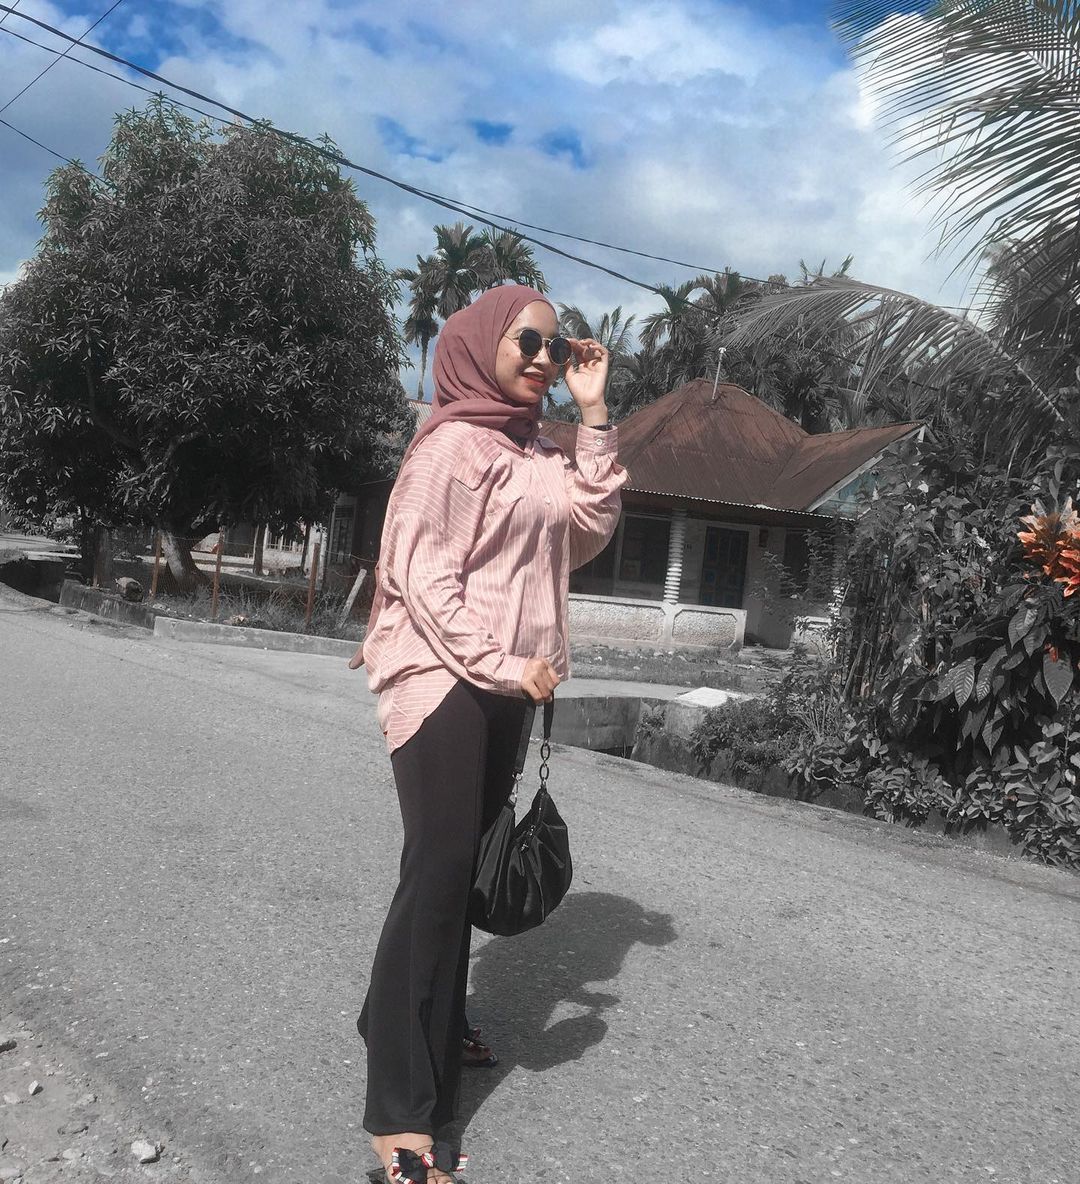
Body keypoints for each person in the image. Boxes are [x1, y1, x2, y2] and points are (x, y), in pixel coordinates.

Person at [349, 284, 626, 1183]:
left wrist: (594, 416)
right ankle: (402, 1112)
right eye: (527, 342)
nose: (544, 359)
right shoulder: (451, 448)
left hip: (509, 684)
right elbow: (423, 577)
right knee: (437, 875)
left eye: (555, 347)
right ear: (479, 344)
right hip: (442, 678)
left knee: (456, 870)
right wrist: (501, 664)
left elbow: (588, 531)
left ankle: (402, 1015)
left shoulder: (538, 450)